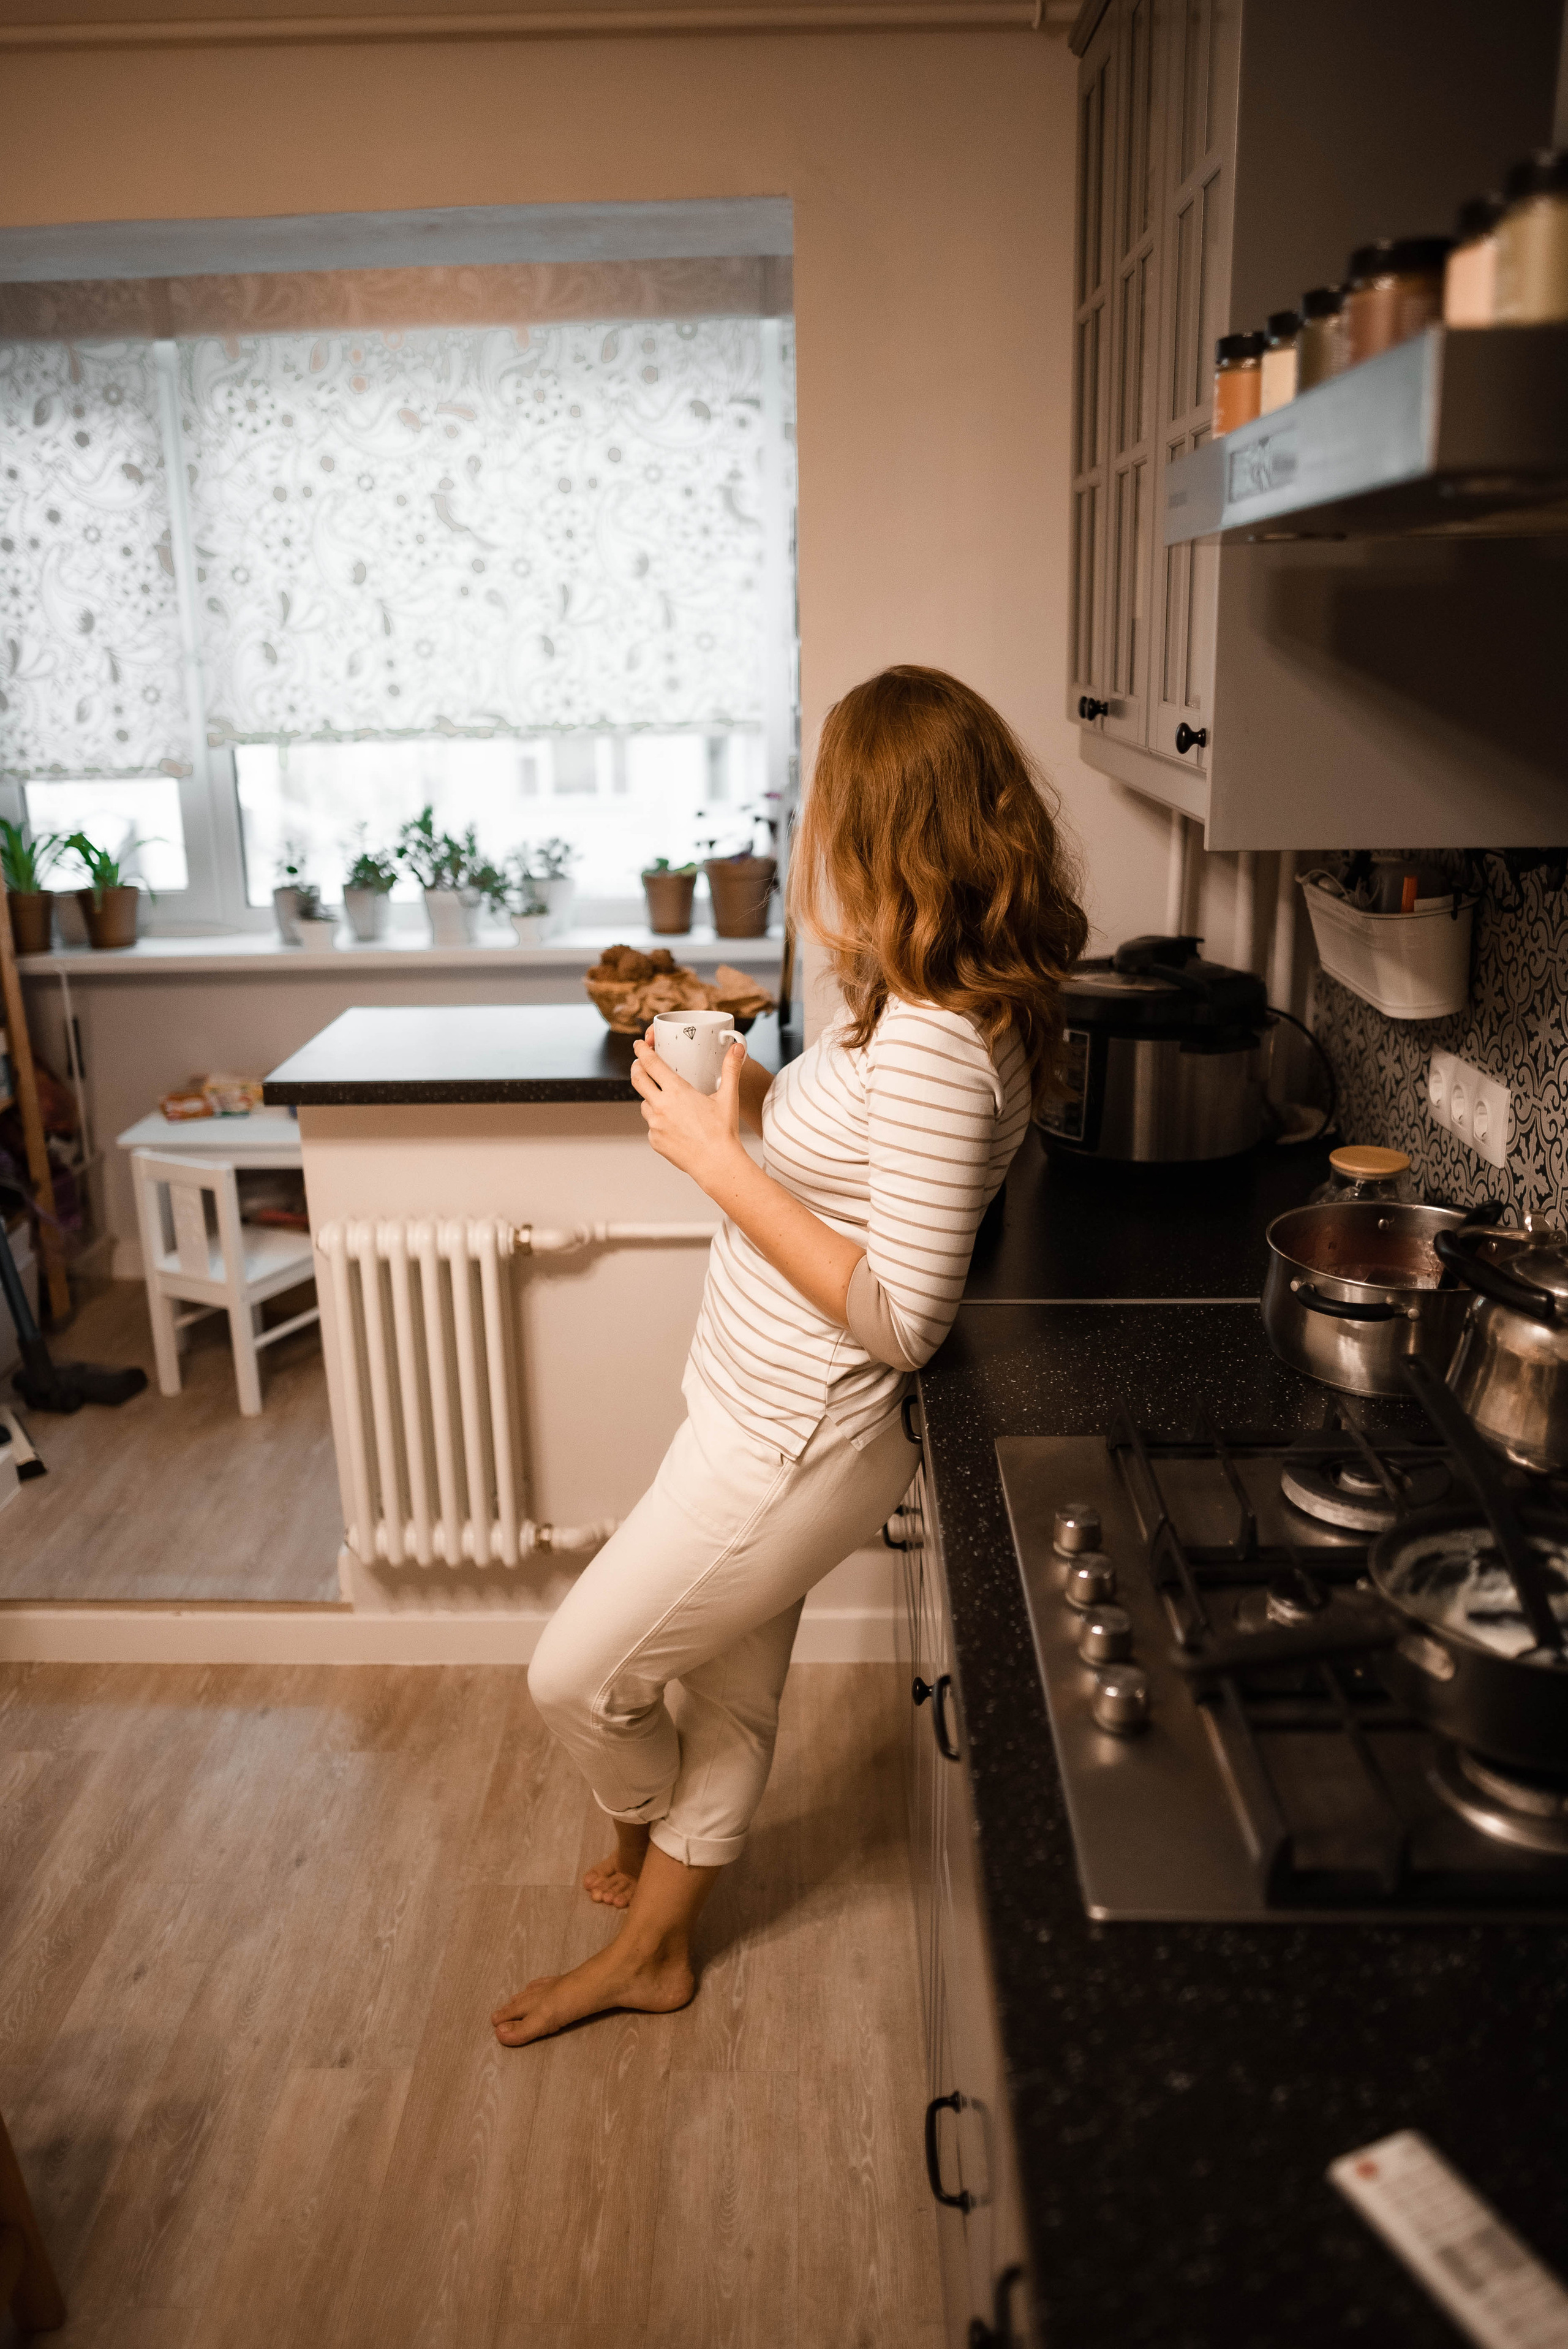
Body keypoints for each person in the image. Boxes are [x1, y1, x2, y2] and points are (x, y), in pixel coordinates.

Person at [492, 665, 1087, 2048]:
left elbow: (901, 1317)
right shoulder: (921, 995)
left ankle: (645, 1843)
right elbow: (866, 1170)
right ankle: (656, 1946)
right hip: (749, 1404)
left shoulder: (938, 1038)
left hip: (794, 1435)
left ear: (887, 834)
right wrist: (752, 1096)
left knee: (577, 1677)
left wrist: (713, 1160)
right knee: (731, 1688)